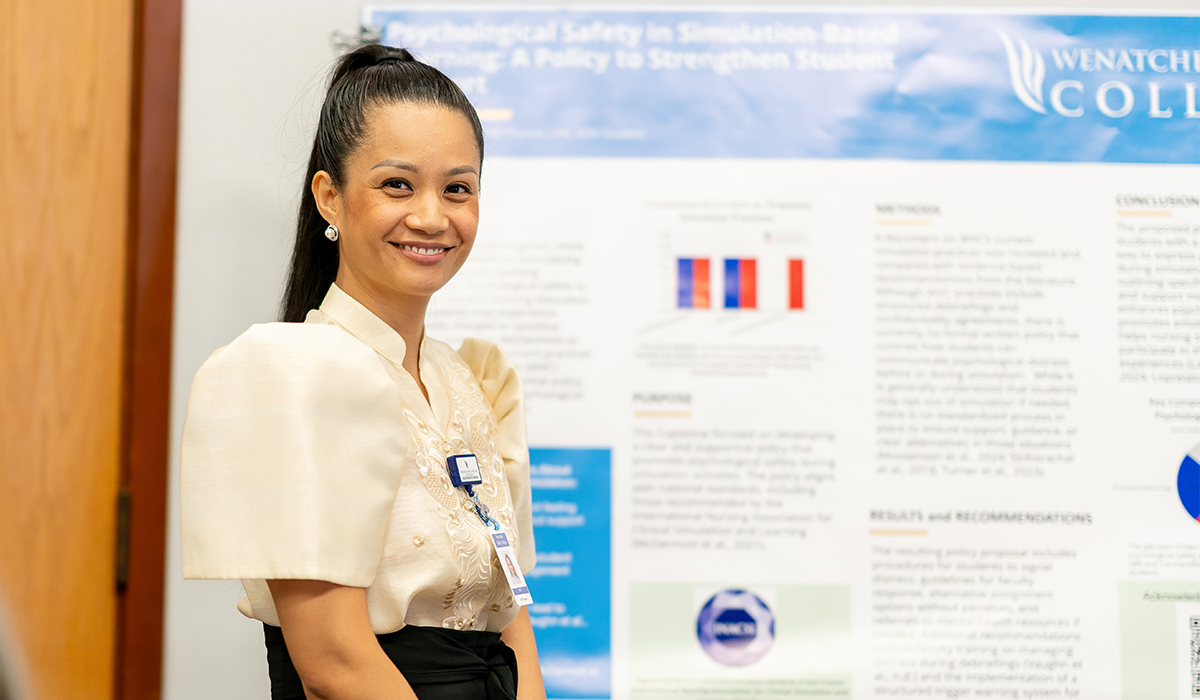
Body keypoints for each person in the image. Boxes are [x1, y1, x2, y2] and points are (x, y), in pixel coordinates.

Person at [180, 44, 545, 700]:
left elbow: (510, 606)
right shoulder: (295, 377)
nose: (432, 216)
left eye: (457, 188)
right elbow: (334, 659)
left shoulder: (471, 382)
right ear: (330, 196)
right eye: (397, 184)